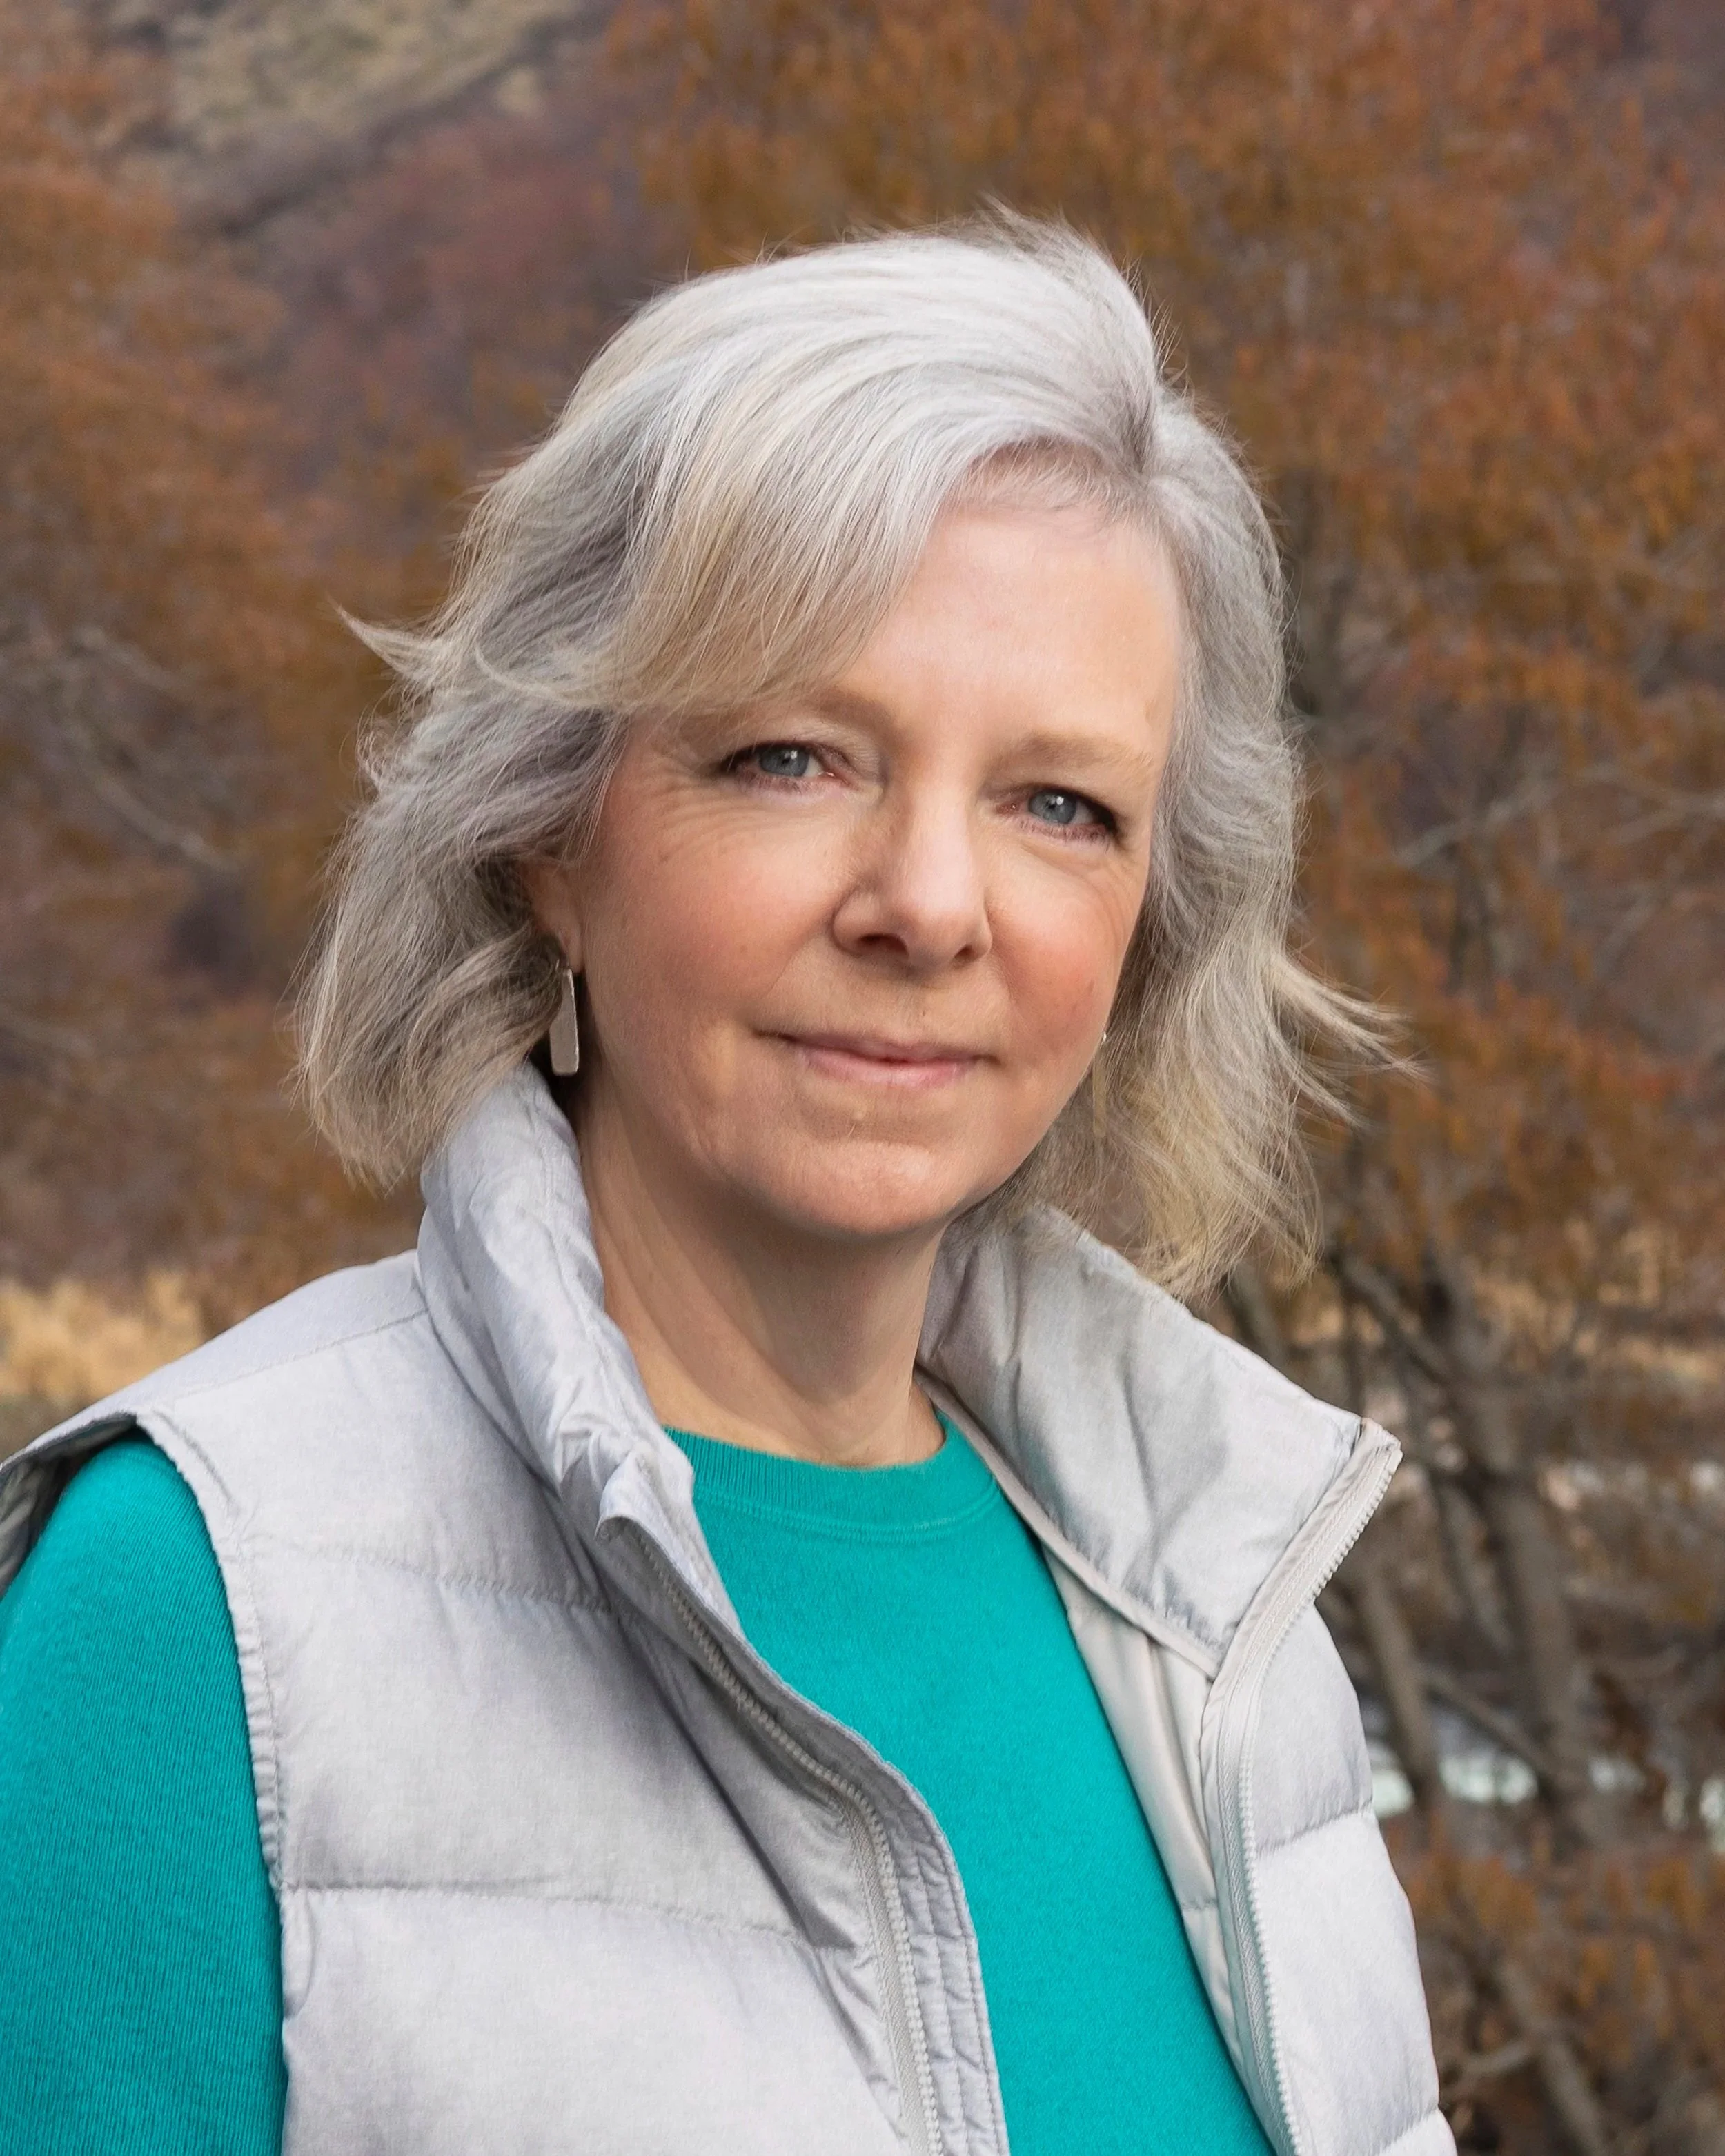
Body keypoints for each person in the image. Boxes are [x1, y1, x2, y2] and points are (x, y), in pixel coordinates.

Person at [0, 219, 1452, 2156]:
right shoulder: (190, 1613)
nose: (928, 904)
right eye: (791, 758)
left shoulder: (1228, 1627)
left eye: (1059, 804)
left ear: (1147, 924)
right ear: (548, 832)